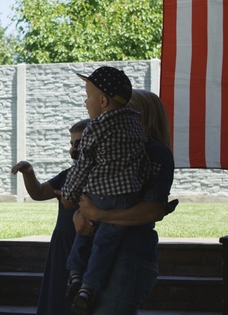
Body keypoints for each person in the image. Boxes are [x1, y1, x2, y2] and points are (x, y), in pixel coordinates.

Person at [60, 67, 157, 315]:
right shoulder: (136, 128)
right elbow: (143, 165)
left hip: (101, 197)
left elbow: (83, 166)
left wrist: (69, 196)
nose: (85, 102)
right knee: (102, 240)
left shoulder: (96, 128)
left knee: (86, 236)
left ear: (103, 101)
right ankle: (86, 288)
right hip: (127, 197)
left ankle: (75, 275)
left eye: (87, 96)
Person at [73, 89, 178, 315]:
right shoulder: (115, 150)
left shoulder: (155, 152)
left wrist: (100, 215)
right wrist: (79, 215)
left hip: (129, 257)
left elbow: (153, 210)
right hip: (100, 258)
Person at [11, 119, 90, 315]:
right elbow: (39, 193)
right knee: (58, 298)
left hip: (87, 246)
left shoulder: (102, 176)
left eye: (78, 144)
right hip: (62, 247)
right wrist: (29, 174)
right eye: (71, 144)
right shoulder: (66, 175)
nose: (73, 149)